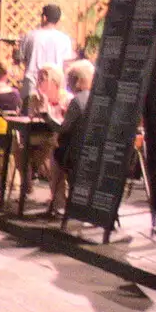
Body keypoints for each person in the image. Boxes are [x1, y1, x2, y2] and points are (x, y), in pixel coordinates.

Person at [47, 60, 94, 219]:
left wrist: (47, 117)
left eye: (71, 80)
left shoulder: (77, 100)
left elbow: (63, 128)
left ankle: (59, 203)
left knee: (54, 156)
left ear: (78, 81)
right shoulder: (97, 99)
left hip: (76, 155)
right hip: (95, 152)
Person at [17, 3, 74, 102]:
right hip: (54, 86)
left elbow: (21, 58)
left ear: (44, 17)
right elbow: (66, 64)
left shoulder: (30, 36)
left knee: (28, 115)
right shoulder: (64, 39)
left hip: (32, 85)